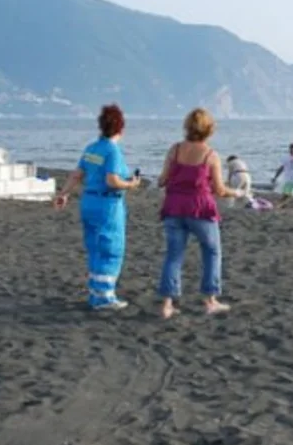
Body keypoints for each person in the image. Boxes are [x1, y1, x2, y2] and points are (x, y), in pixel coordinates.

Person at [53, 104, 141, 311]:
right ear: (121, 128)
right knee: (111, 249)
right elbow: (112, 180)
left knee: (94, 246)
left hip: (88, 201)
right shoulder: (113, 151)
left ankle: (95, 291)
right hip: (107, 204)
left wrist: (63, 193)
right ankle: (104, 295)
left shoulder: (92, 148)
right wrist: (131, 184)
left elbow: (77, 174)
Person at [156, 108, 237, 319]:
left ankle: (167, 303)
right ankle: (210, 299)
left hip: (174, 206)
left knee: (174, 255)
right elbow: (220, 189)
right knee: (211, 252)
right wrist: (236, 191)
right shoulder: (211, 155)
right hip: (200, 208)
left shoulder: (174, 150)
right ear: (209, 130)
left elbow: (162, 179)